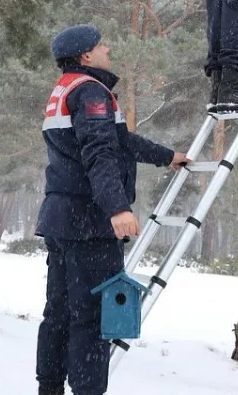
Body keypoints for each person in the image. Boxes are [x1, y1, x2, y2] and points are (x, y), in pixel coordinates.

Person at [35, 24, 189, 395]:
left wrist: (166, 156)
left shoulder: (67, 88)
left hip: (61, 218)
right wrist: (117, 208)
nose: (109, 49)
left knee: (58, 314)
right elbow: (99, 152)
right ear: (86, 55)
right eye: (102, 45)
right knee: (91, 318)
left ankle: (50, 389)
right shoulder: (92, 92)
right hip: (88, 221)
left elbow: (118, 139)